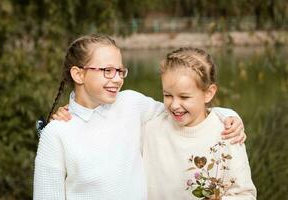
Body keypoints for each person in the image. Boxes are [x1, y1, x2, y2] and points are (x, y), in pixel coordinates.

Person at [34, 34, 245, 200]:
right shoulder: (57, 133)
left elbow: (181, 110)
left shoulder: (130, 104)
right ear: (78, 74)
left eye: (120, 70)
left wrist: (227, 115)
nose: (117, 79)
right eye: (107, 70)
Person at [142, 47, 256, 200]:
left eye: (184, 97)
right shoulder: (150, 128)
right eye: (167, 95)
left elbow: (244, 195)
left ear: (208, 93)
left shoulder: (228, 133)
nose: (174, 105)